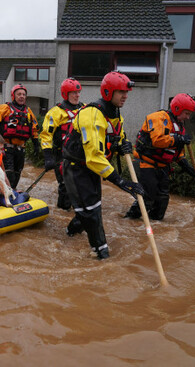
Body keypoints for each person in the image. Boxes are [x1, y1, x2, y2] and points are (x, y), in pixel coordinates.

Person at [62, 71, 144, 260]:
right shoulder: (92, 114)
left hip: (92, 169)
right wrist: (121, 182)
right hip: (77, 168)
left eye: (126, 92)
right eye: (121, 92)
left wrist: (123, 145)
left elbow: (116, 138)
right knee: (92, 210)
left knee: (90, 209)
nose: (125, 96)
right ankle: (102, 254)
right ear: (109, 92)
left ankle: (69, 233)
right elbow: (94, 156)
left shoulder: (115, 115)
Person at [125, 93, 195, 220]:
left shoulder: (179, 126)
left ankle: (156, 224)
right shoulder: (158, 118)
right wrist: (179, 138)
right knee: (148, 197)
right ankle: (129, 220)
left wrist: (189, 169)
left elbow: (178, 153)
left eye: (189, 114)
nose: (188, 117)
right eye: (186, 113)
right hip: (146, 163)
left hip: (162, 166)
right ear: (177, 109)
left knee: (162, 199)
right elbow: (158, 140)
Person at [40, 78, 84, 210]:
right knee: (65, 188)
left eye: (78, 92)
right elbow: (46, 135)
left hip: (81, 156)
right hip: (62, 156)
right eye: (73, 93)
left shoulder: (85, 109)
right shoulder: (55, 112)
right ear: (66, 94)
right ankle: (63, 211)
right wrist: (48, 157)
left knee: (81, 188)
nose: (77, 95)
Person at [0, 84, 39, 189]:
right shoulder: (4, 108)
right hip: (6, 148)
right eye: (19, 94)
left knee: (18, 172)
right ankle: (5, 191)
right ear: (13, 96)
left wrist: (36, 143)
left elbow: (34, 128)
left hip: (20, 149)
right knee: (9, 173)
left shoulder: (28, 112)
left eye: (23, 94)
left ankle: (11, 191)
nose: (21, 96)